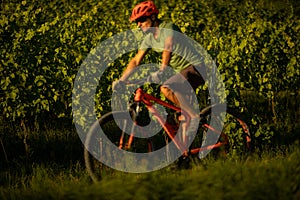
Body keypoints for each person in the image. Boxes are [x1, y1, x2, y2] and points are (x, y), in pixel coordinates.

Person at [113, 1, 206, 136]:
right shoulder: (149, 38)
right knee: (179, 121)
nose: (139, 24)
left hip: (196, 67)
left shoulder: (168, 27)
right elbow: (135, 61)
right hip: (182, 73)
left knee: (166, 87)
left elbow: (168, 46)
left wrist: (162, 70)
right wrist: (121, 80)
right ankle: (187, 153)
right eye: (137, 22)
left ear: (153, 17)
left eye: (142, 20)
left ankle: (194, 117)